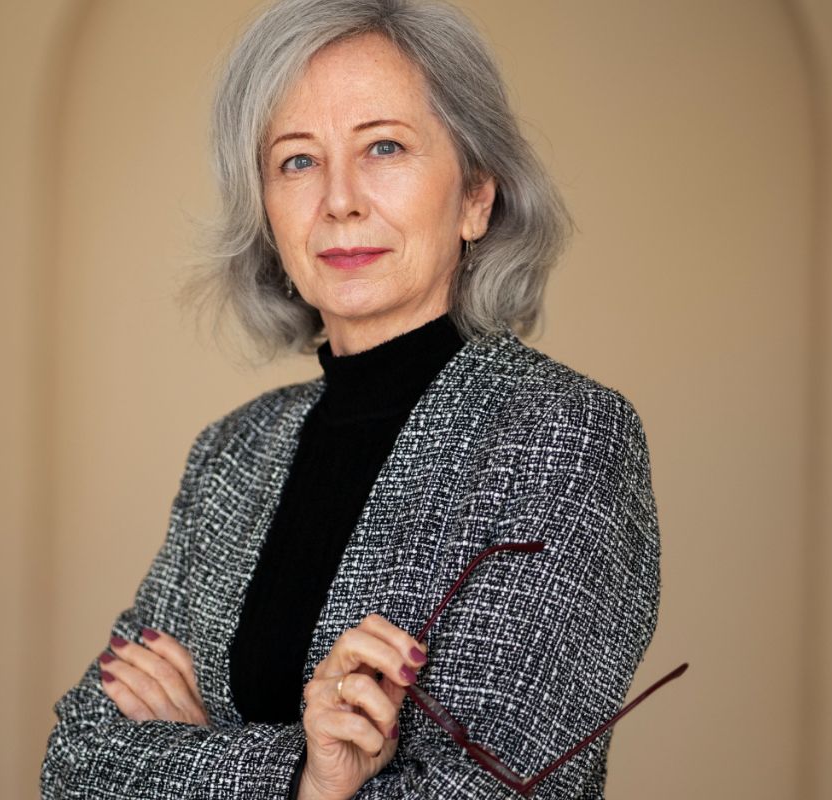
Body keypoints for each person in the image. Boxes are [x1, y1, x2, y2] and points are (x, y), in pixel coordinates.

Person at [40, 0, 663, 797]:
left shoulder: (564, 438)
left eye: (384, 147)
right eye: (297, 161)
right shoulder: (233, 453)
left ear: (476, 195)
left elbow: (486, 791)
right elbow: (78, 768)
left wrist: (197, 754)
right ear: (266, 210)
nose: (339, 200)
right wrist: (306, 777)